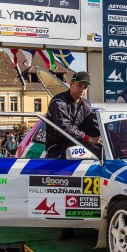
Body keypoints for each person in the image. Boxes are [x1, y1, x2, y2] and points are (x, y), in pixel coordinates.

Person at [45, 71, 102, 240]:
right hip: (57, 148)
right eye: (79, 86)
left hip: (76, 146)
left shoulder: (86, 105)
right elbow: (65, 128)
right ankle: (66, 225)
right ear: (71, 83)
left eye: (85, 87)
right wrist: (89, 138)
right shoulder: (58, 102)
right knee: (65, 185)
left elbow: (90, 128)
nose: (82, 90)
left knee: (94, 165)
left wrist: (101, 138)